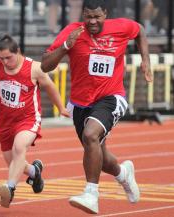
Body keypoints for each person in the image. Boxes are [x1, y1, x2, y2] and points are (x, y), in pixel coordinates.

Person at [41, 0, 153, 214]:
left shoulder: (120, 27)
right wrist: (66, 46)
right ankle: (123, 173)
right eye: (88, 17)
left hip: (111, 97)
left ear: (105, 14)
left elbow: (140, 30)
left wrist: (145, 60)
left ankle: (91, 194)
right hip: (81, 103)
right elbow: (45, 65)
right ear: (83, 14)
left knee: (91, 135)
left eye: (97, 17)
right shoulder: (72, 31)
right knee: (98, 156)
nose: (92, 21)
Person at [0, 34, 69, 208]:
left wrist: (61, 108)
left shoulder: (34, 68)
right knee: (14, 162)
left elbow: (50, 87)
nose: (5, 62)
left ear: (18, 52)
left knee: (19, 148)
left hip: (28, 119)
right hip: (5, 122)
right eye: (1, 58)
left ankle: (10, 188)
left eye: (8, 57)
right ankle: (34, 172)